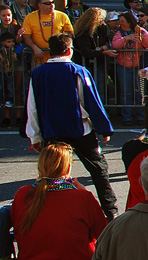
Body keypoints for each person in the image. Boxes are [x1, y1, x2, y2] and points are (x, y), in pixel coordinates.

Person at [25, 32, 117, 218]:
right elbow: (92, 102)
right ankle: (110, 211)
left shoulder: (38, 73)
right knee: (99, 170)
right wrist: (104, 128)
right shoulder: (78, 71)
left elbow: (32, 108)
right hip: (79, 129)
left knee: (52, 173)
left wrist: (34, 136)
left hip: (52, 131)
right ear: (69, 50)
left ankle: (48, 212)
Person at [19, 0, 74, 66]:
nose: (51, 5)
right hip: (39, 59)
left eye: (53, 2)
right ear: (39, 5)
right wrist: (35, 48)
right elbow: (26, 37)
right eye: (48, 3)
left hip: (60, 59)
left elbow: (70, 34)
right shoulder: (30, 17)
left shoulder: (62, 16)